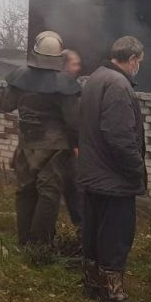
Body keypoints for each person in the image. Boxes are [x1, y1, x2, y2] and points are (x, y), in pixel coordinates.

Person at [76, 36, 147, 302]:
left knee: (93, 232)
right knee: (116, 235)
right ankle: (114, 293)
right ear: (131, 60)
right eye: (139, 62)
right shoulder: (118, 85)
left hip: (93, 172)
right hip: (114, 178)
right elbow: (119, 137)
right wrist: (136, 170)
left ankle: (92, 285)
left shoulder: (96, 77)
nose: (138, 67)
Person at [0, 31, 81, 261]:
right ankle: (41, 245)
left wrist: (12, 87)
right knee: (48, 195)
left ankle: (25, 241)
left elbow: (4, 105)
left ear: (35, 51)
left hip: (26, 145)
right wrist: (78, 144)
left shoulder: (19, 77)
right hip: (55, 149)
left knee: (25, 192)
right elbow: (74, 122)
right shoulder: (65, 84)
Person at [60, 49, 84, 230]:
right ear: (64, 65)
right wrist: (76, 146)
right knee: (75, 190)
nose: (79, 67)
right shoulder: (67, 88)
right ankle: (82, 232)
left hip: (58, 147)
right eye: (75, 63)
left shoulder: (52, 84)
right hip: (67, 149)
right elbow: (72, 122)